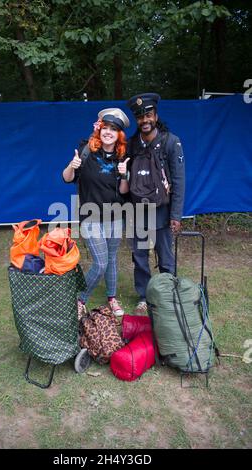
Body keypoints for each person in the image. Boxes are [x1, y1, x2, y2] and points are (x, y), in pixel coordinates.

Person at [62, 108, 130, 319]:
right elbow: (66, 178)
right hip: (90, 216)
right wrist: (71, 166)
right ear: (99, 129)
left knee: (111, 259)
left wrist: (124, 174)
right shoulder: (85, 151)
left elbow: (124, 191)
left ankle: (111, 298)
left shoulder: (123, 156)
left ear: (119, 134)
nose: (108, 132)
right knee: (100, 263)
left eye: (113, 129)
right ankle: (80, 299)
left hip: (115, 216)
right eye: (105, 128)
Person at [126, 93, 185, 315]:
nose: (144, 120)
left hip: (162, 210)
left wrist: (176, 215)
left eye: (148, 115)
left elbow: (179, 180)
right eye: (140, 117)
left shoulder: (171, 141)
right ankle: (144, 295)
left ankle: (168, 292)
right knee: (140, 256)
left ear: (155, 115)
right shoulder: (132, 144)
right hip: (137, 210)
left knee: (165, 255)